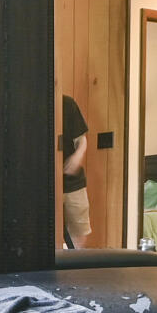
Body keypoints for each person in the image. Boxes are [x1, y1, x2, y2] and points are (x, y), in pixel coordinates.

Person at [60, 95, 93, 248]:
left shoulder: (67, 104)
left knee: (79, 231)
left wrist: (77, 157)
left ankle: (76, 259)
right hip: (43, 182)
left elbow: (81, 139)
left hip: (73, 182)